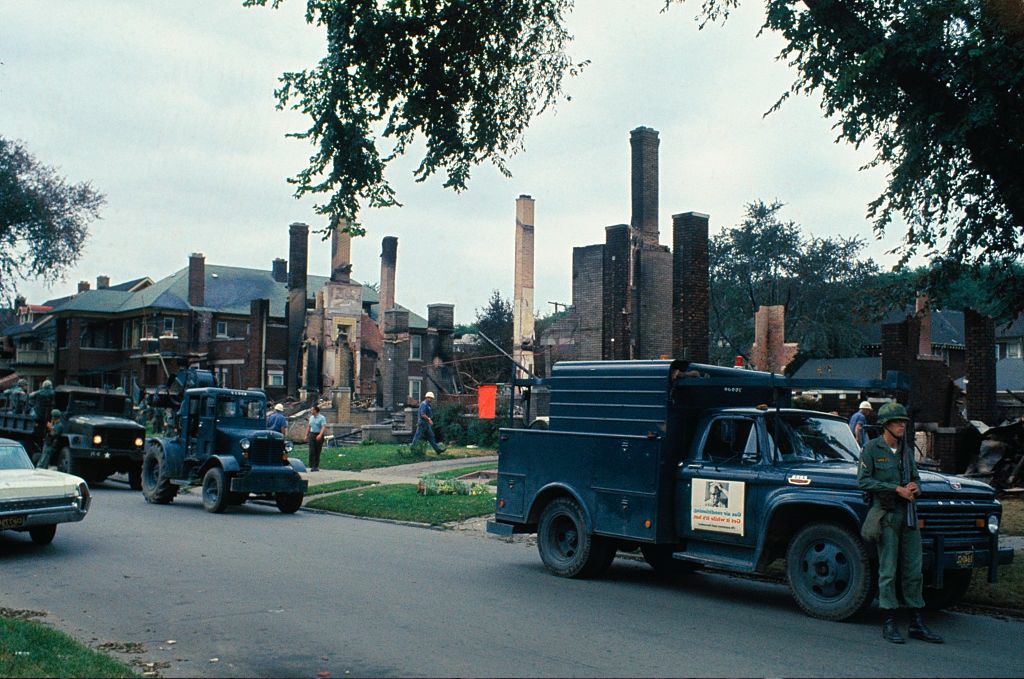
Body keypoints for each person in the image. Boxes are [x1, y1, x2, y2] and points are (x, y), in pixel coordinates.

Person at [858, 402, 943, 645]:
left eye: (904, 422)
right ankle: (889, 622)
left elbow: (915, 477)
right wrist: (895, 489)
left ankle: (916, 622)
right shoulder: (872, 449)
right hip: (887, 515)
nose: (902, 426)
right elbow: (863, 481)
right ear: (886, 425)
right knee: (888, 570)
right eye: (897, 422)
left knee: (913, 570)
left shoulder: (906, 451)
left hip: (909, 515)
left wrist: (916, 487)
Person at [305, 405, 327, 472]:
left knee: (317, 450)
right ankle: (311, 465)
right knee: (312, 450)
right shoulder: (311, 418)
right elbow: (309, 426)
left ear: (315, 410)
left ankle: (315, 466)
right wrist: (306, 435)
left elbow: (323, 427)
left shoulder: (322, 418)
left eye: (312, 410)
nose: (311, 411)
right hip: (312, 434)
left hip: (319, 434)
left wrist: (320, 434)